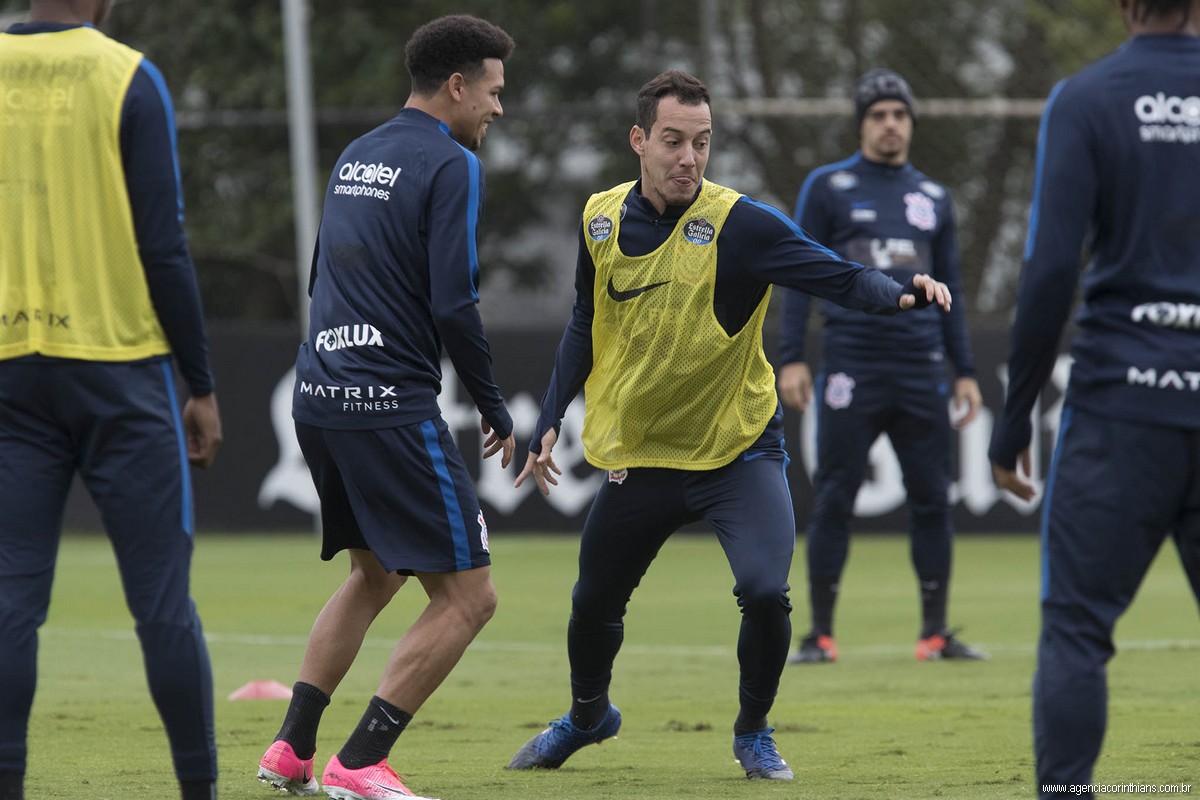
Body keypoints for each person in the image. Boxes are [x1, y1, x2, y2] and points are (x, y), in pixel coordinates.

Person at [506, 69, 952, 781]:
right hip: (644, 453)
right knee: (592, 603)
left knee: (766, 592)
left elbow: (837, 274)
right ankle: (587, 716)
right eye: (674, 141)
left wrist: (905, 293)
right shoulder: (599, 216)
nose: (689, 158)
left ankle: (753, 732)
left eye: (702, 143)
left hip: (736, 451)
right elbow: (585, 323)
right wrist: (550, 417)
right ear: (639, 141)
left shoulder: (741, 223)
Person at [254, 14, 516, 800]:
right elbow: (453, 302)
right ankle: (361, 761)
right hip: (387, 403)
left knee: (376, 574)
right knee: (471, 597)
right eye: (495, 92)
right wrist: (493, 404)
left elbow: (316, 279)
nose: (499, 109)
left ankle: (291, 750)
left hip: (319, 390)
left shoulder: (357, 153)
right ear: (458, 85)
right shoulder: (452, 162)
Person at [0, 2, 223, 799]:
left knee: (9, 601)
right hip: (119, 368)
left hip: (9, 371)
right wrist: (199, 383)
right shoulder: (127, 73)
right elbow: (163, 245)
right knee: (162, 603)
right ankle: (198, 789)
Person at [988, 0, 1200, 795]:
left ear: (1121, 5)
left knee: (1077, 630)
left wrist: (1015, 424)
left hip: (1121, 408)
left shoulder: (1087, 97)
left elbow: (1048, 270)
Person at [775, 69, 986, 665]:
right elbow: (797, 274)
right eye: (878, 114)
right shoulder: (829, 186)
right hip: (851, 363)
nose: (890, 124)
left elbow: (955, 292)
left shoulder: (935, 198)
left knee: (932, 500)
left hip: (921, 367)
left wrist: (964, 370)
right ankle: (818, 635)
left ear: (911, 123)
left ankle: (936, 634)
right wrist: (791, 356)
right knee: (835, 495)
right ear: (862, 123)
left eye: (899, 114)